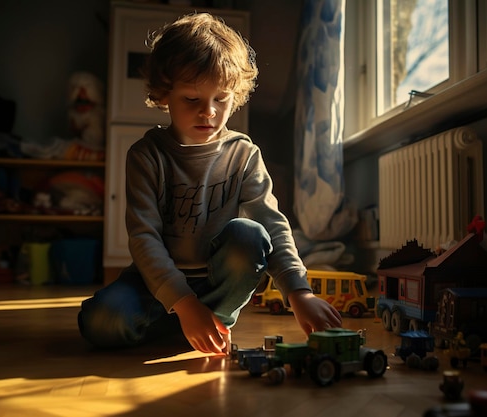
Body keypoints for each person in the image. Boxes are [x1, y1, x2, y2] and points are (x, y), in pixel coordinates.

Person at [78, 13, 342, 354]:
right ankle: (185, 319)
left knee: (250, 235)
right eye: (192, 99)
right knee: (98, 323)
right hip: (155, 282)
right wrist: (184, 302)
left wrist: (298, 291)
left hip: (218, 284)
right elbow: (144, 238)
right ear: (163, 95)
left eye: (222, 98)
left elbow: (272, 226)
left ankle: (208, 319)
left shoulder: (243, 153)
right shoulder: (146, 155)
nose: (209, 112)